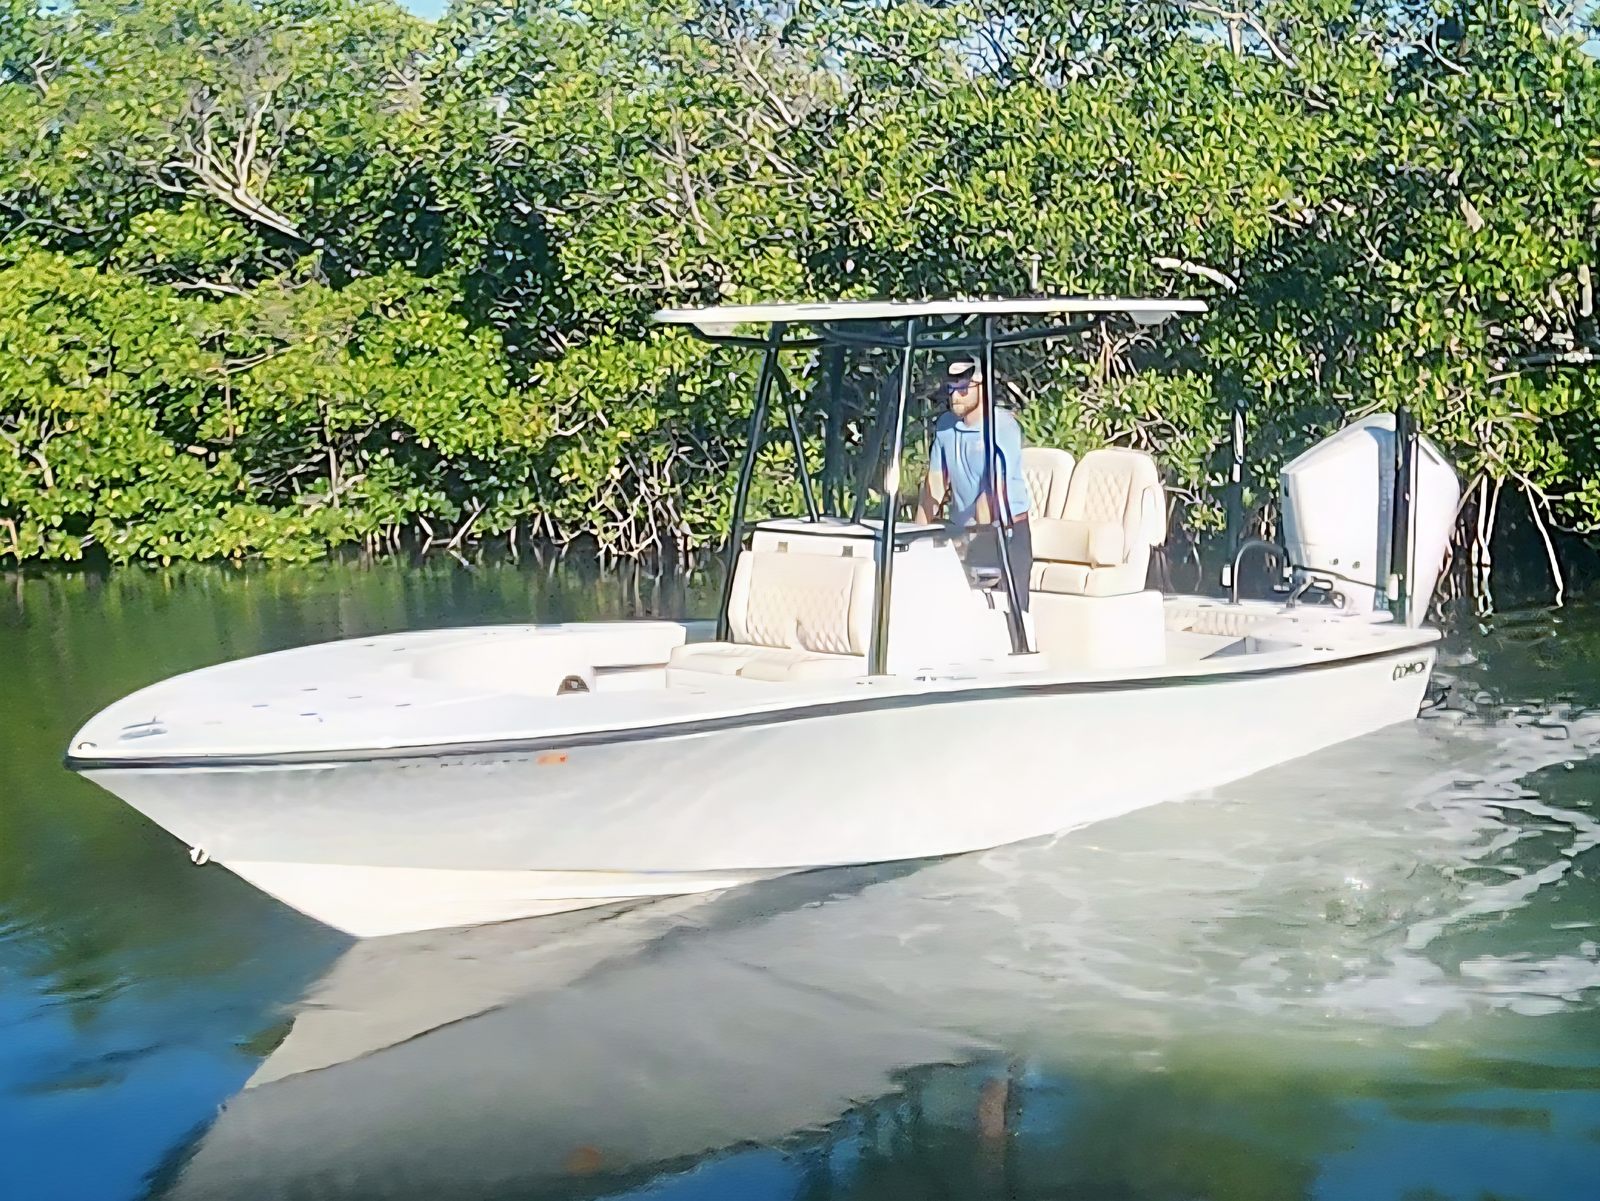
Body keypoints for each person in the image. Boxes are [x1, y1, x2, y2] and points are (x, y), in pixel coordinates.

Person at [915, 358, 1032, 608]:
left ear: (983, 387)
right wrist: (916, 538)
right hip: (965, 532)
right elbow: (935, 485)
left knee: (1009, 613)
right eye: (951, 387)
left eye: (963, 388)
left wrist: (967, 540)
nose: (955, 395)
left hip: (1005, 533)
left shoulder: (1002, 426)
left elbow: (993, 490)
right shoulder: (945, 426)